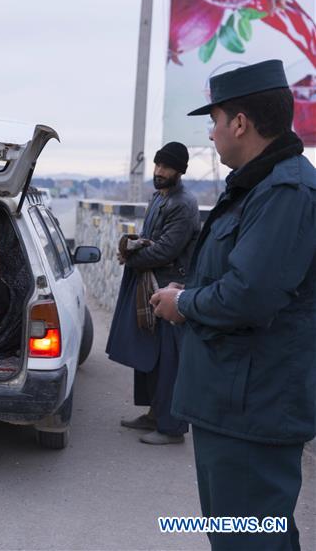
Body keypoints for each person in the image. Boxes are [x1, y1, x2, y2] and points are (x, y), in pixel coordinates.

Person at [152, 59, 316, 550]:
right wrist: (193, 295)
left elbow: (249, 294)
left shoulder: (286, 191)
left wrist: (184, 304)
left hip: (253, 406)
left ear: (239, 122)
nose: (211, 133)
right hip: (231, 399)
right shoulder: (259, 186)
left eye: (215, 120)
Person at [105, 142, 200, 445]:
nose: (159, 172)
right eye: (157, 166)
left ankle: (171, 428)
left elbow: (166, 250)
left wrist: (130, 258)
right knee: (150, 355)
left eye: (166, 167)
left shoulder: (183, 204)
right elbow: (150, 241)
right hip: (151, 286)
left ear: (179, 170)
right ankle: (153, 414)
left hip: (170, 290)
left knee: (168, 361)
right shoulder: (159, 198)